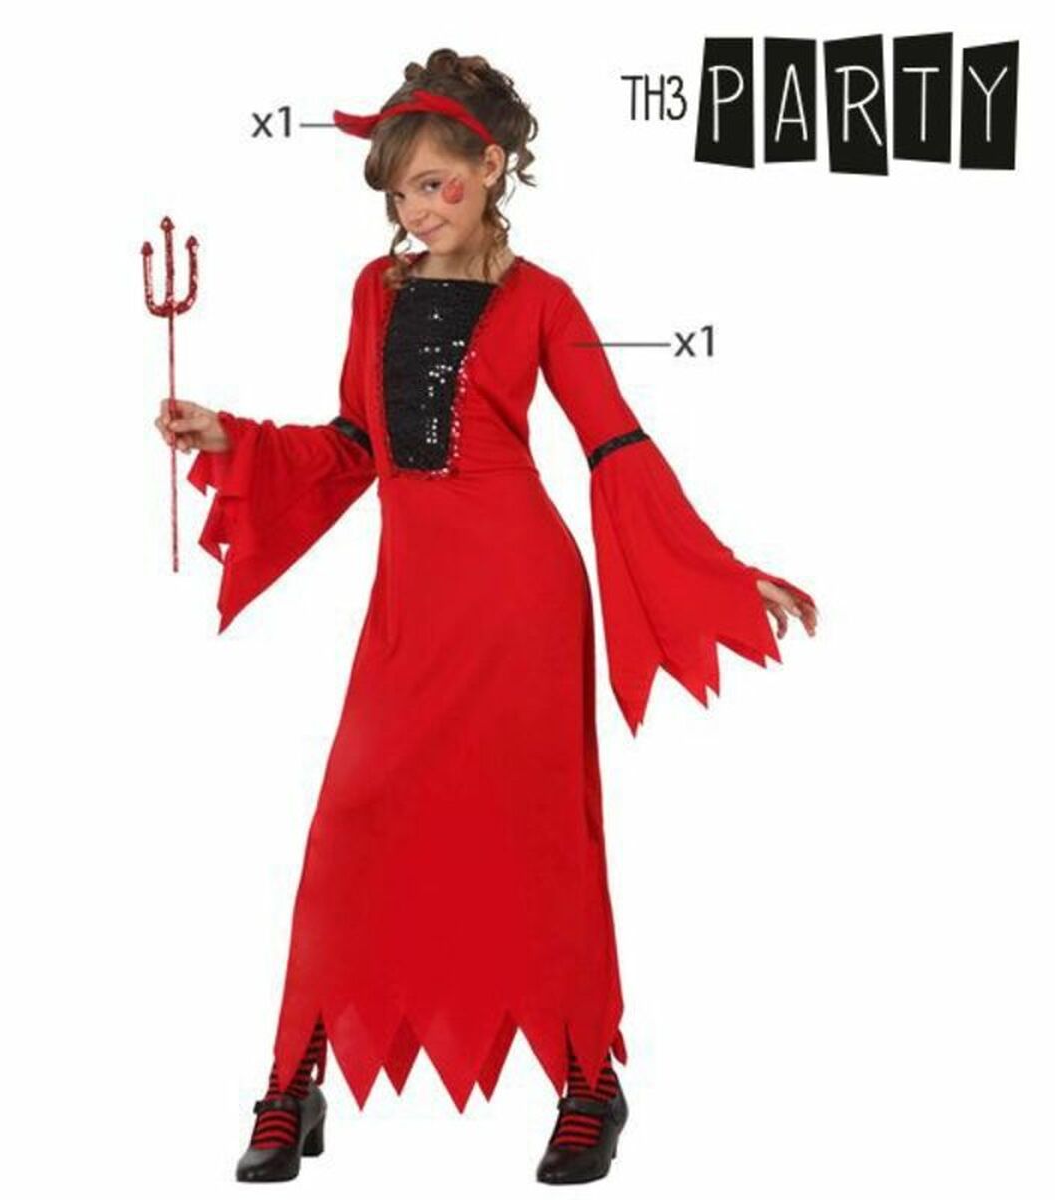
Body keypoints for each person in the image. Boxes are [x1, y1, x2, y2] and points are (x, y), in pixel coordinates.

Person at [153, 48, 819, 1186]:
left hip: (523, 600)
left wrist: (714, 572)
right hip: (411, 604)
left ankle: (589, 1082)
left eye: (435, 184)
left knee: (540, 835)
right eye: (400, 193)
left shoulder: (546, 300)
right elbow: (355, 445)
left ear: (491, 166)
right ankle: (294, 1079)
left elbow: (615, 445)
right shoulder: (373, 291)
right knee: (350, 827)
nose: (417, 211)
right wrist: (233, 435)